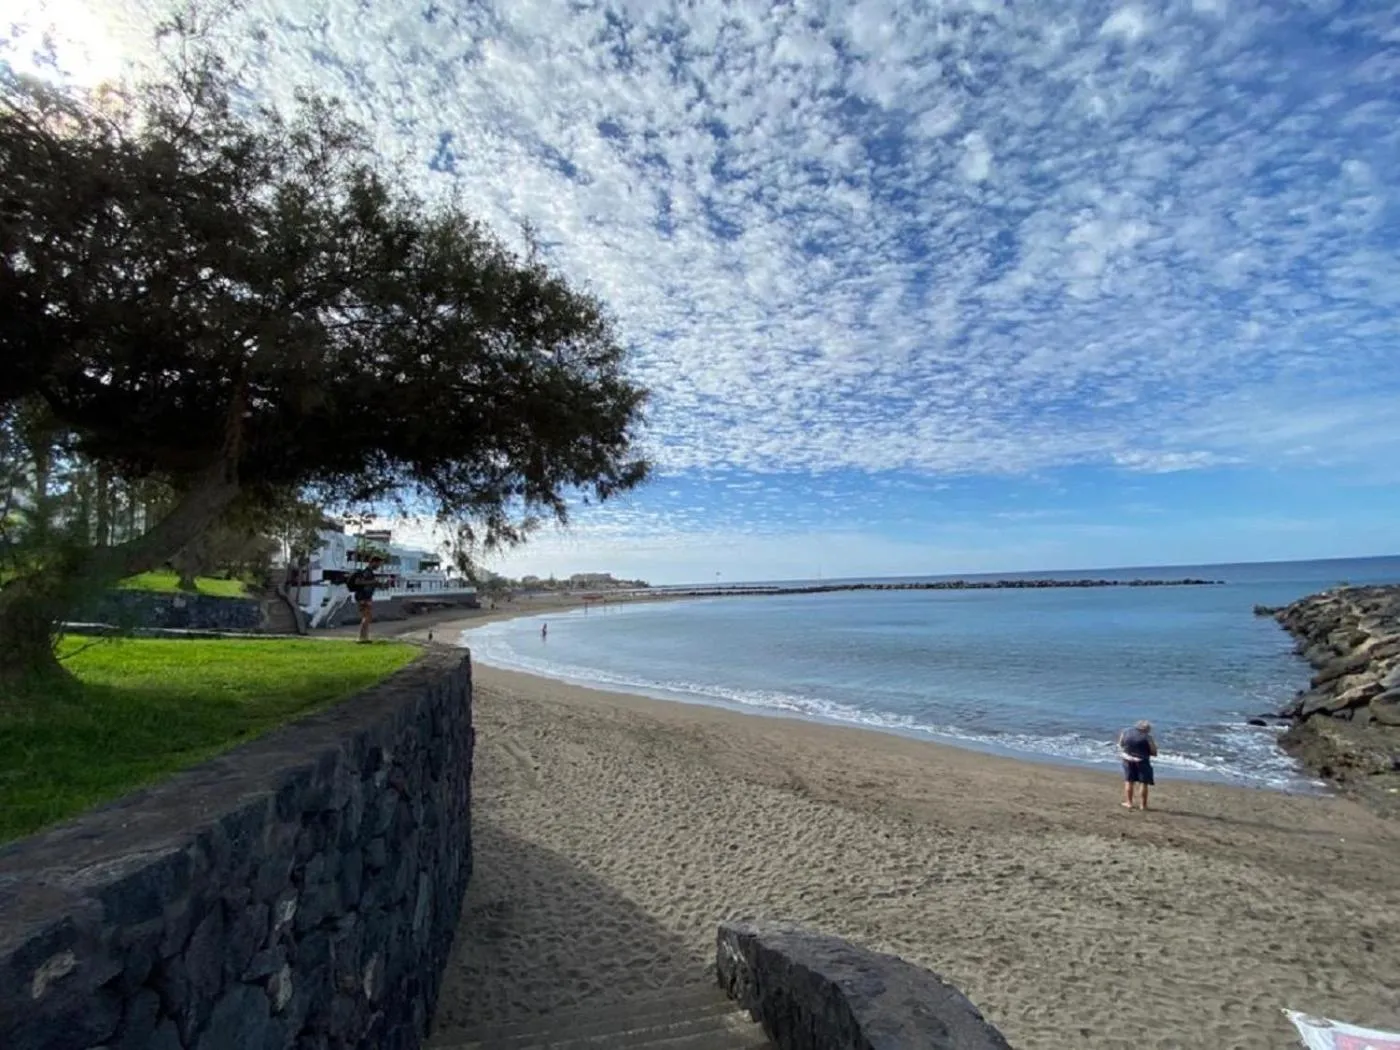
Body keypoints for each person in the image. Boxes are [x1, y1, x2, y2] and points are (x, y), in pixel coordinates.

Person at [1117, 719, 1158, 810]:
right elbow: (1154, 752)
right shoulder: (1147, 737)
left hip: (1127, 759)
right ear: (1146, 729)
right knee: (1143, 783)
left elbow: (1120, 744)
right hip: (1141, 761)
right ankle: (1143, 805)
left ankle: (1129, 802)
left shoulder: (1125, 732)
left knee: (1129, 781)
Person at [346, 556, 384, 643]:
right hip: (362, 597)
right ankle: (362, 638)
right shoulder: (366, 572)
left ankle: (364, 637)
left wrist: (379, 584)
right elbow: (358, 582)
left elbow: (369, 584)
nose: (378, 566)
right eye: (378, 564)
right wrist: (373, 582)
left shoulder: (370, 573)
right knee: (366, 616)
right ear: (373, 562)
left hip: (366, 597)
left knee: (367, 616)